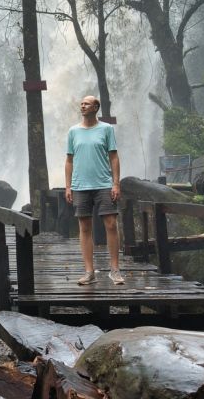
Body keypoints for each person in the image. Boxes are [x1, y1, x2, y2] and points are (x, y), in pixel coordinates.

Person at [64, 95, 124, 285]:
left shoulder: (106, 129)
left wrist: (116, 183)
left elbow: (113, 157)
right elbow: (69, 160)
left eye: (87, 103)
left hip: (104, 184)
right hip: (80, 185)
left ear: (96, 107)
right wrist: (68, 186)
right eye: (81, 103)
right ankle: (89, 272)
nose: (82, 106)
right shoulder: (73, 131)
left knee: (111, 224)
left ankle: (115, 270)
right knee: (84, 227)